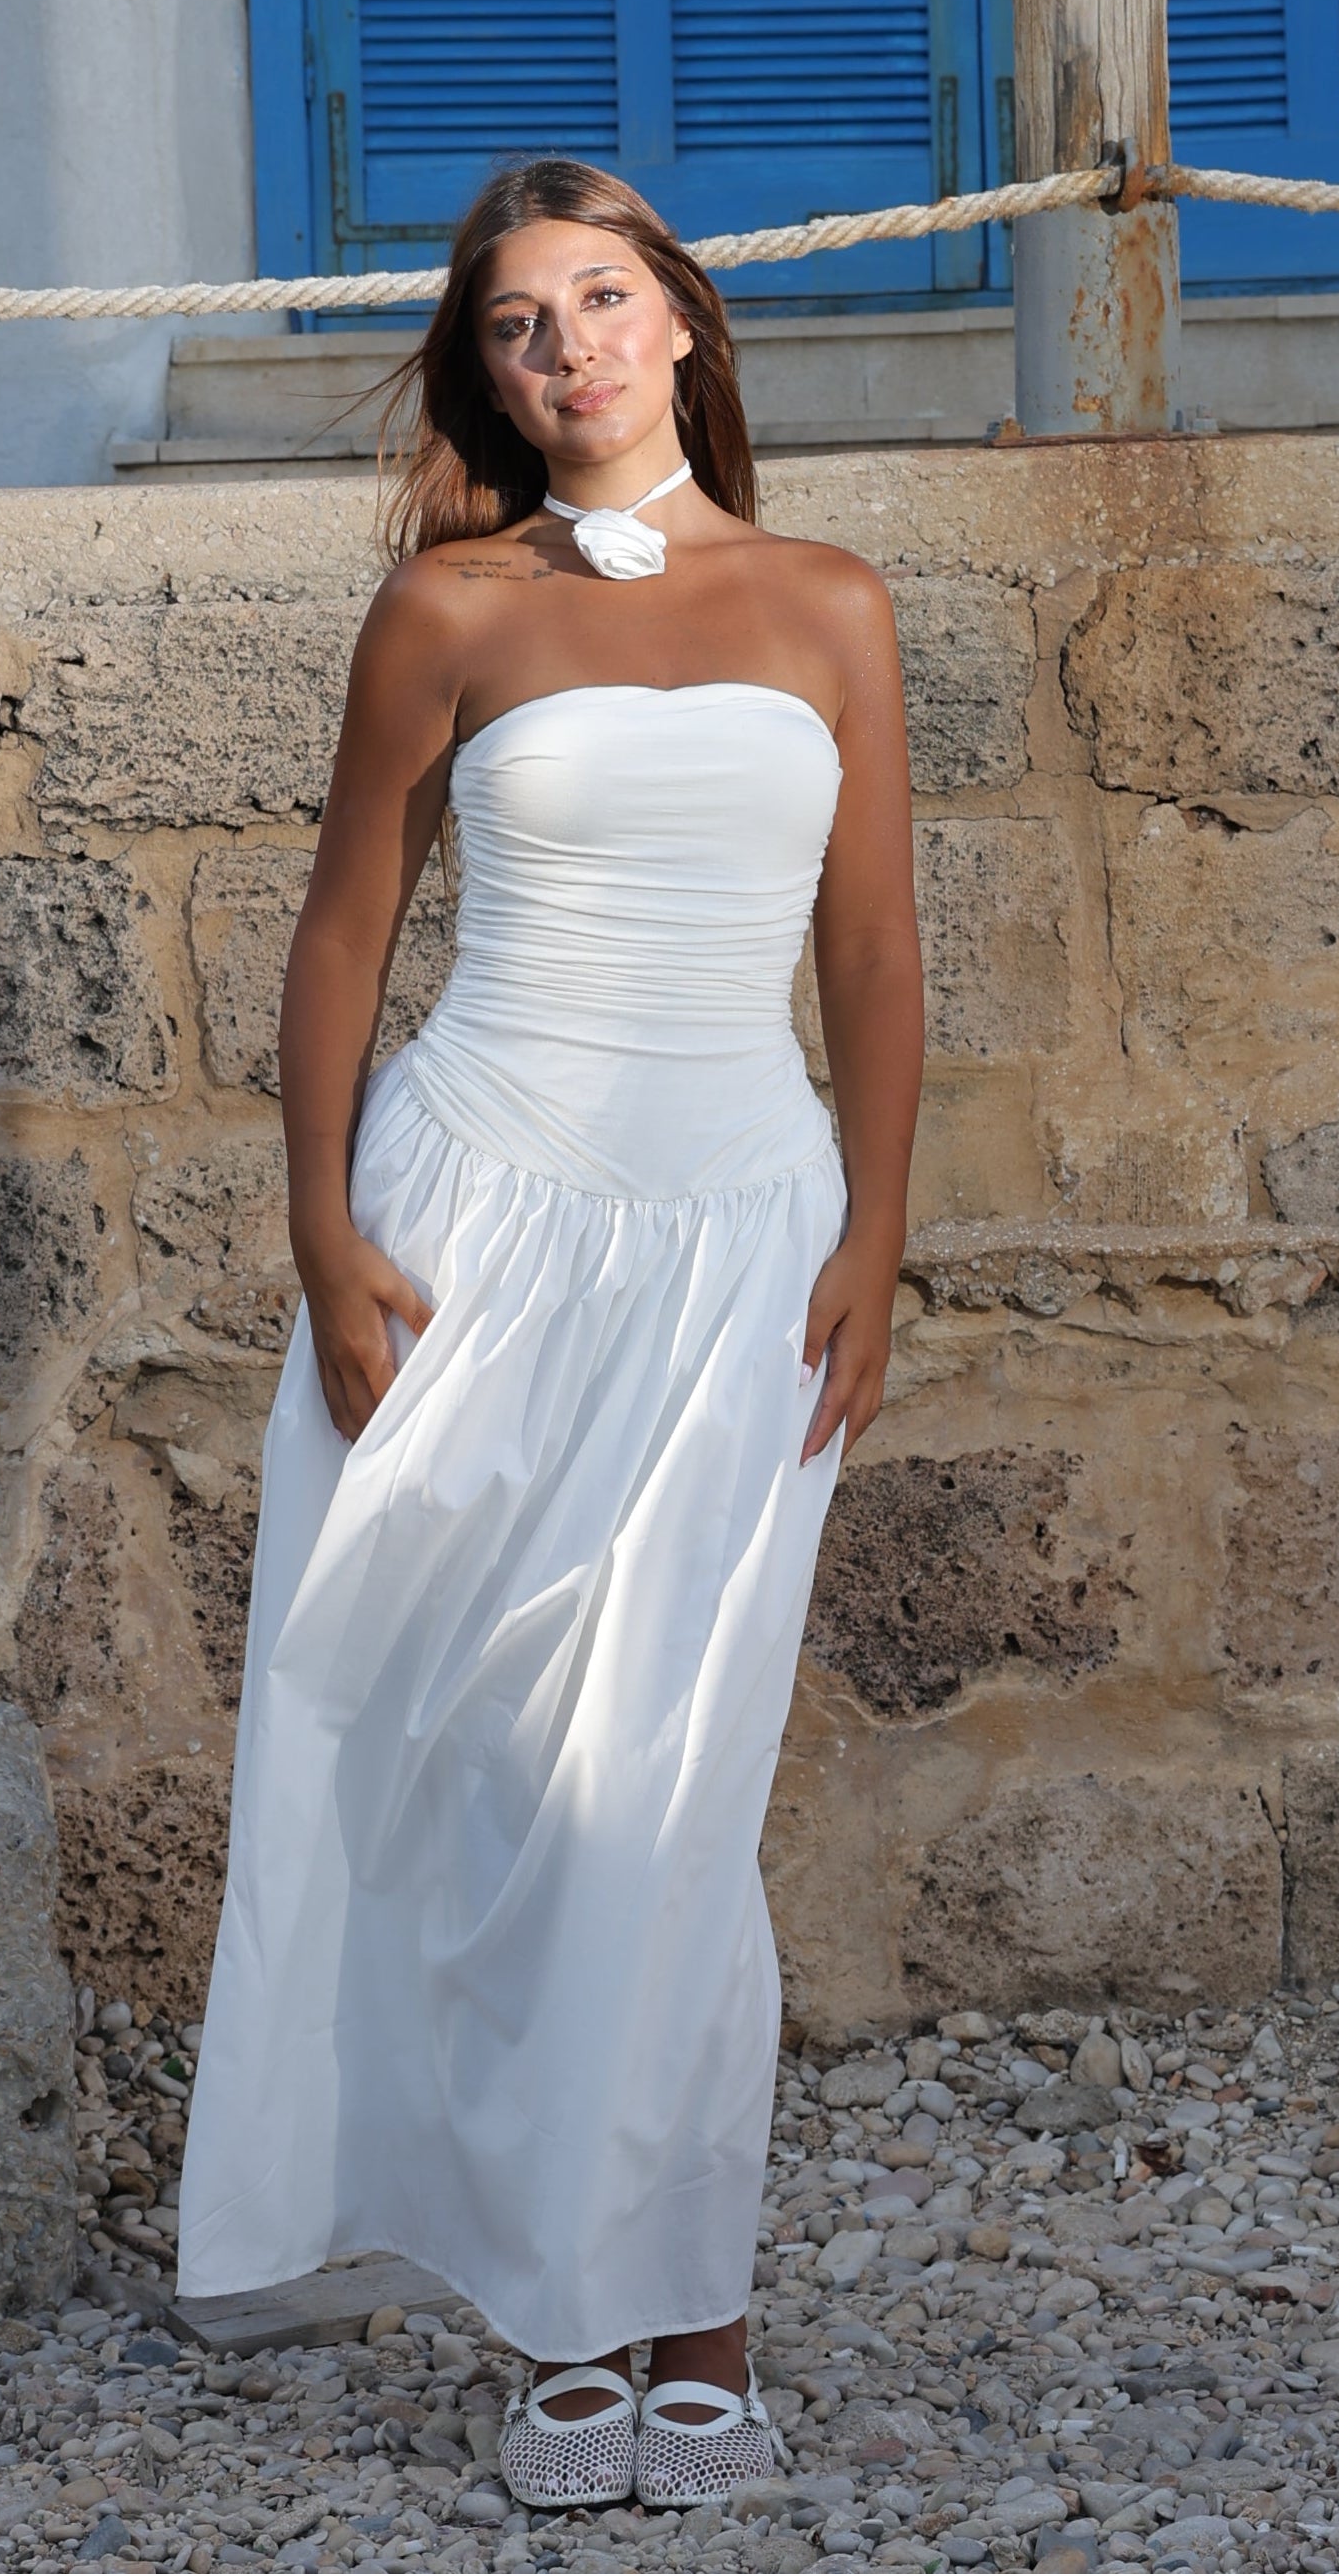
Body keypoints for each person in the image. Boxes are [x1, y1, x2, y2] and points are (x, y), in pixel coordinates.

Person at [176, 155, 923, 2515]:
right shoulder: (445, 608)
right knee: (487, 1765)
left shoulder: (827, 603)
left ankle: (694, 2310)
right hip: (470, 1229)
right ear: (481, 370)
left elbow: (875, 955)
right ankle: (561, 2317)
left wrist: (872, 1238)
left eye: (602, 301)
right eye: (518, 322)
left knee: (674, 1788)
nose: (569, 349)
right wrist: (320, 1234)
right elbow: (336, 932)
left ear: (684, 325)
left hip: (735, 1239)